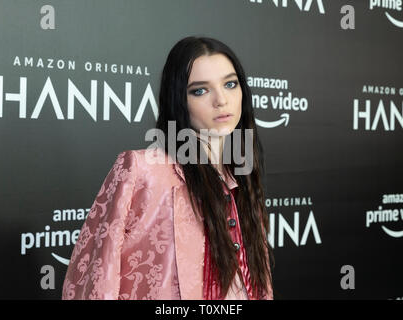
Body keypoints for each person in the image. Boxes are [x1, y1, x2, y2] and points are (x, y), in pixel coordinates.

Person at [62, 36, 275, 300]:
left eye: (230, 84)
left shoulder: (241, 177)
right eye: (200, 90)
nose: (221, 100)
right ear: (178, 100)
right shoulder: (141, 170)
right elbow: (94, 281)